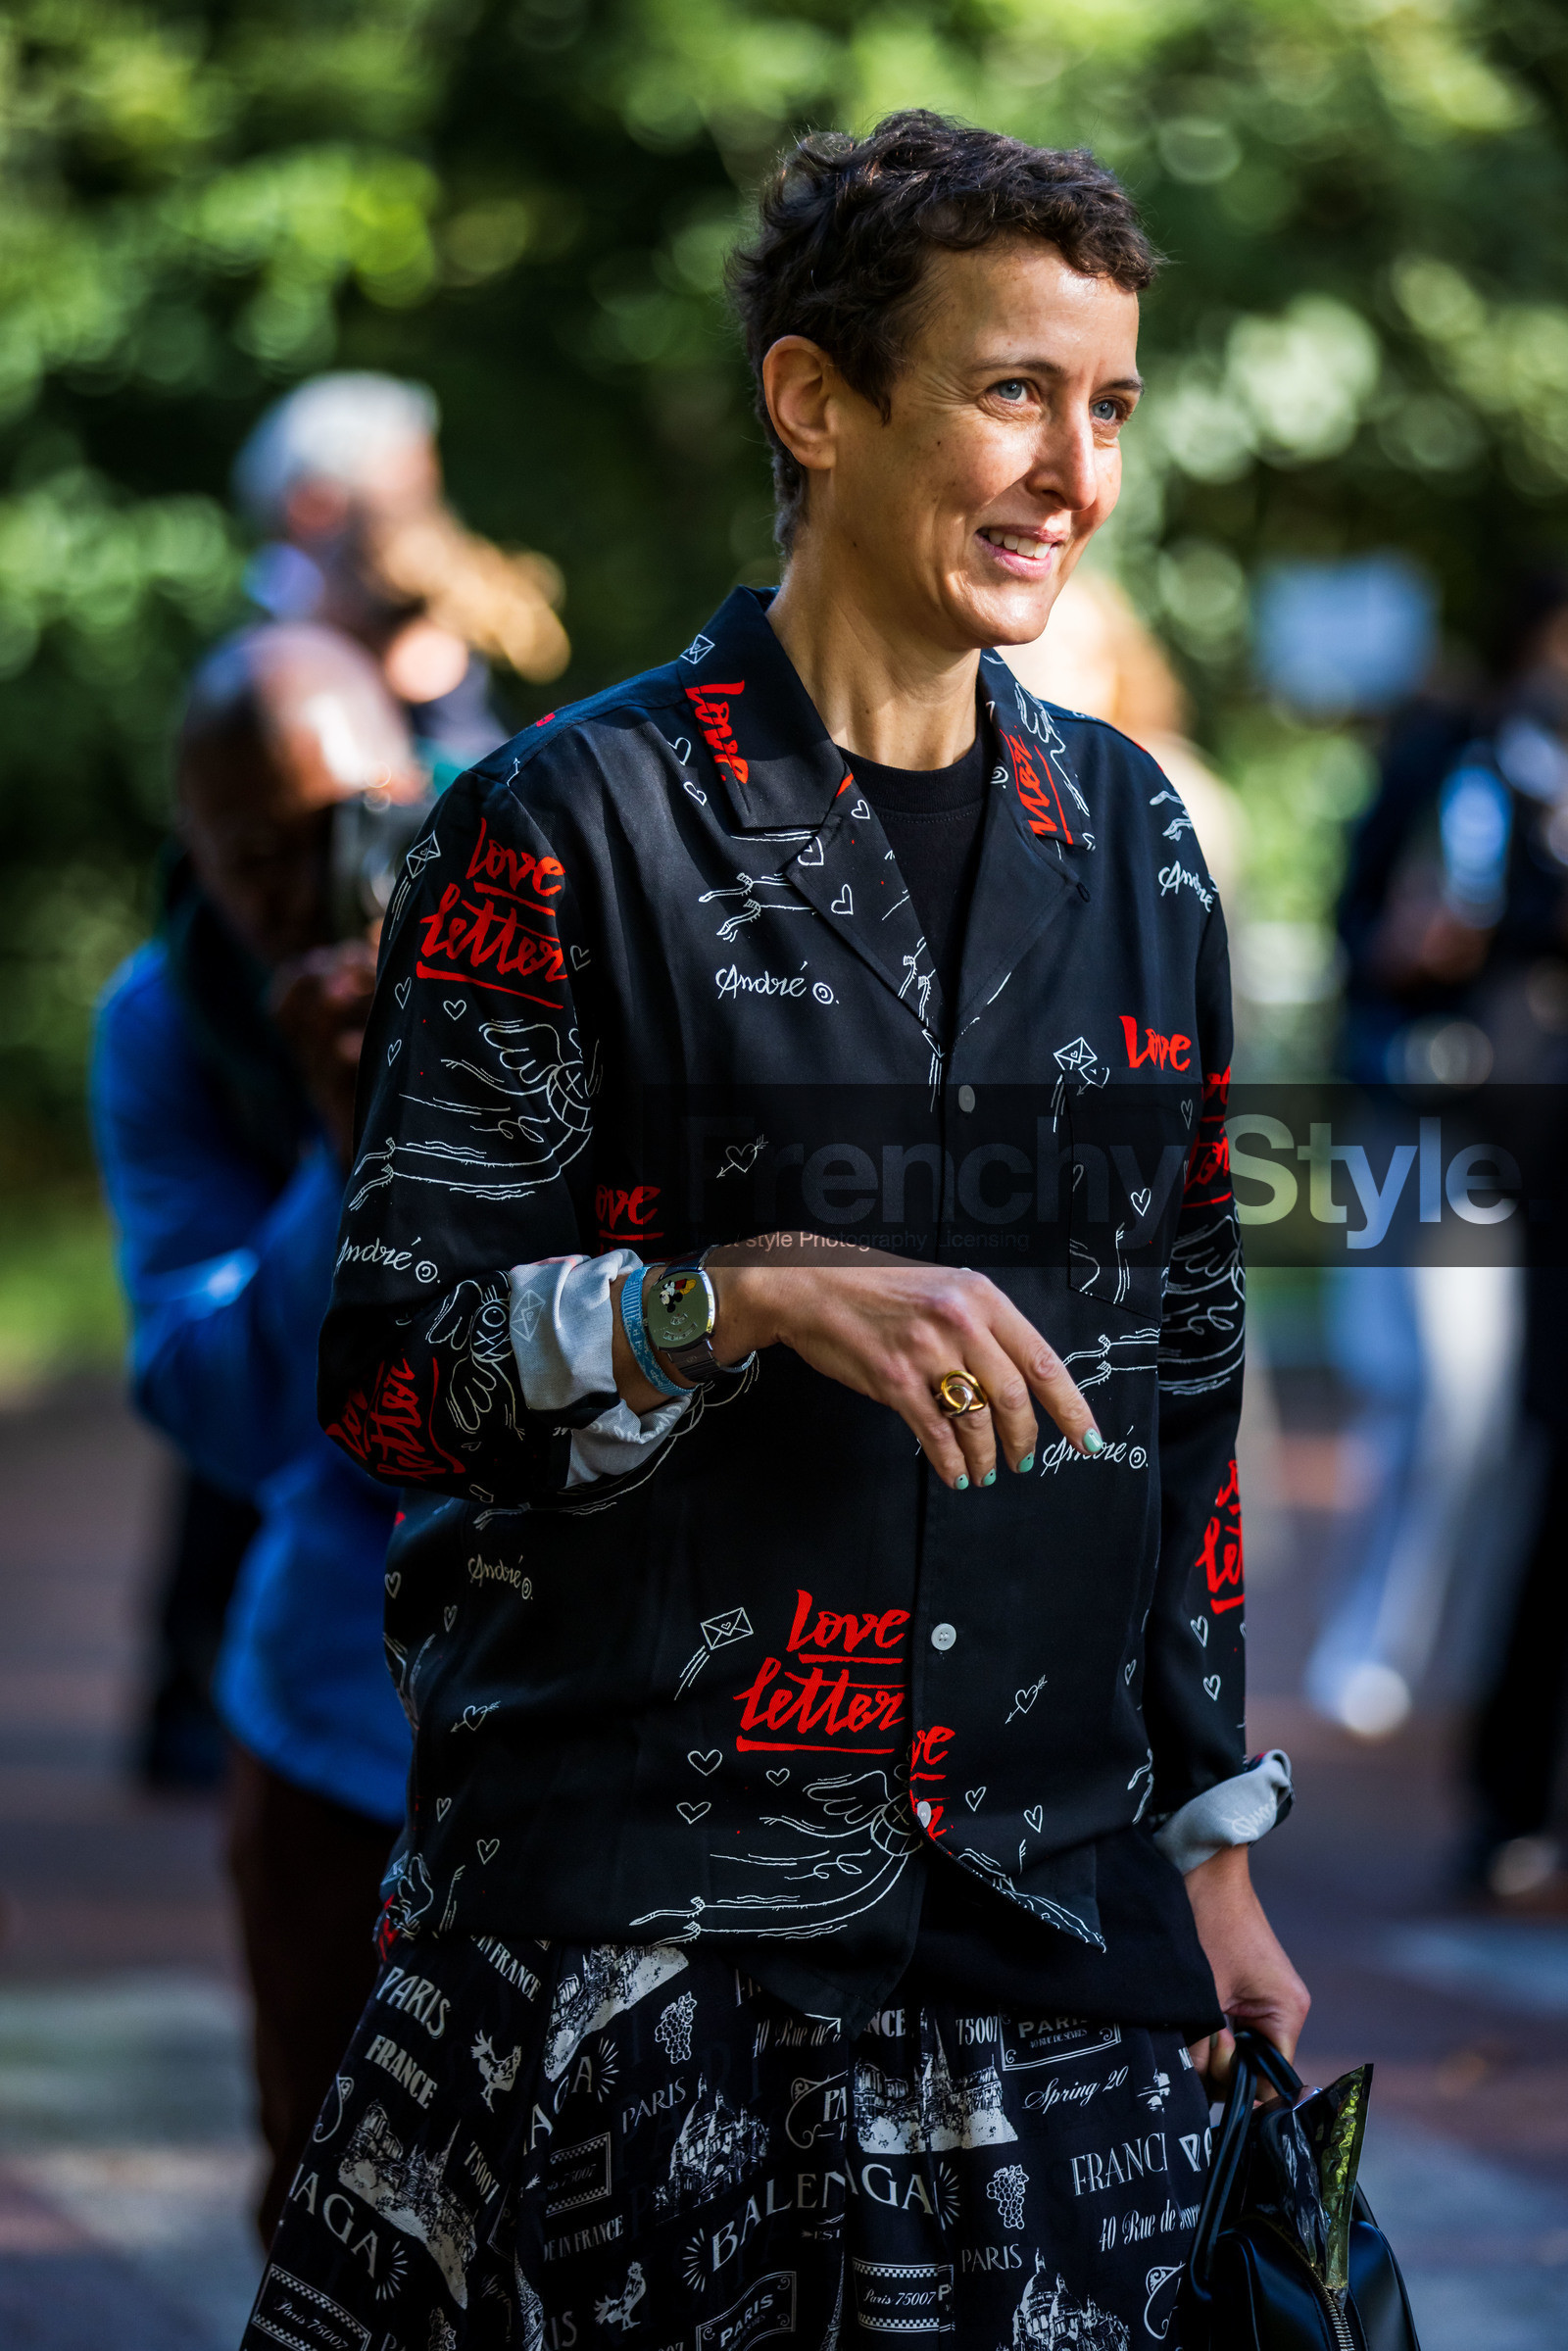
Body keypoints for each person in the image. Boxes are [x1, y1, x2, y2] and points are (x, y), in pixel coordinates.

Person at [252, 114, 1304, 2349]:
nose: (1071, 469)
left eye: (1107, 403)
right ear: (815, 402)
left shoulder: (1133, 836)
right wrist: (712, 1298)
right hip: (629, 1939)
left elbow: (1180, 1359)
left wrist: (1209, 1836)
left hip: (1052, 1952)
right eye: (1011, 390)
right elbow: (389, 1372)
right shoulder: (558, 828)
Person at [91, 624, 426, 2242]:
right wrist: (340, 1145)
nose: (309, 888)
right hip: (333, 1691)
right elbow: (215, 1397)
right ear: (194, 854)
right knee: (328, 2181)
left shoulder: (551, 944)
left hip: (584, 1682)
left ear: (421, 794)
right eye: (254, 856)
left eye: (350, 826)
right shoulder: (167, 1024)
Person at [233, 370, 569, 777]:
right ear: (311, 507)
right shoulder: (261, 688)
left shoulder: (439, 654)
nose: (435, 517)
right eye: (410, 495)